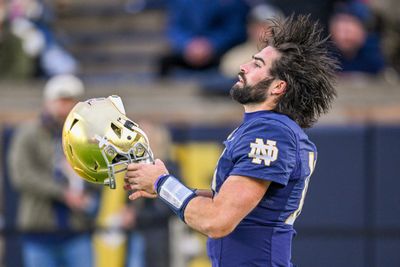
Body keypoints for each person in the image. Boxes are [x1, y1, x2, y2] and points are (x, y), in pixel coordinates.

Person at [124, 14, 338, 266]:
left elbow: (218, 220)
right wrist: (162, 187)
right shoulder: (267, 128)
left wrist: (162, 183)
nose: (244, 67)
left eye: (257, 64)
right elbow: (226, 201)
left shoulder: (270, 132)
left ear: (278, 87)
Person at [8, 74, 98, 267]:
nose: (66, 106)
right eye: (62, 100)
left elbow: (97, 173)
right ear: (48, 101)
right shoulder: (28, 133)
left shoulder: (86, 135)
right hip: (40, 231)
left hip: (77, 229)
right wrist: (62, 193)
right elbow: (21, 175)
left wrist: (85, 189)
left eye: (71, 100)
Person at [158, 0, 249, 77]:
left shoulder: (232, 3)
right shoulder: (181, 2)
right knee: (164, 62)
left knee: (230, 65)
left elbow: (235, 29)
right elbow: (175, 27)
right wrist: (188, 44)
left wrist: (211, 44)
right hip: (188, 50)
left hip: (221, 50)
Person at [329, 1, 385, 74]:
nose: (345, 36)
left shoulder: (375, 56)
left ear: (363, 32)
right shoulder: (327, 58)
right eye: (340, 30)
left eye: (349, 31)